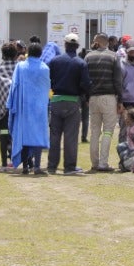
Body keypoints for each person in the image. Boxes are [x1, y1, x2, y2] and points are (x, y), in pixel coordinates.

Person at [46, 33, 90, 175]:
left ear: (65, 45)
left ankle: (52, 166)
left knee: (54, 135)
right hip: (73, 102)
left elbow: (48, 80)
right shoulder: (81, 63)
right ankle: (69, 167)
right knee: (71, 136)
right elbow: (86, 84)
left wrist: (51, 95)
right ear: (77, 47)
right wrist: (84, 97)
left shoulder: (54, 61)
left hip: (56, 101)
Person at [6, 41, 50, 175]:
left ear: (28, 53)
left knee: (23, 136)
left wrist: (10, 103)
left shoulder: (20, 66)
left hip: (23, 107)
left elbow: (14, 86)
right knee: (37, 136)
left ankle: (25, 166)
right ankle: (36, 166)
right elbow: (46, 88)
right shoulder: (45, 68)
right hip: (39, 108)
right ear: (40, 53)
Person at [85, 33, 124, 172]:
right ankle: (103, 163)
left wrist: (86, 98)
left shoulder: (88, 57)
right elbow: (118, 81)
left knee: (95, 132)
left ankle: (94, 163)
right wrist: (120, 99)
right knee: (108, 131)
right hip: (109, 98)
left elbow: (85, 79)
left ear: (96, 42)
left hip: (93, 98)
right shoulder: (113, 56)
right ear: (107, 42)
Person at [0, 41, 19, 169]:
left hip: (3, 112)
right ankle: (17, 160)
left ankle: (4, 164)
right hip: (18, 110)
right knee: (17, 136)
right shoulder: (19, 68)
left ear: (3, 54)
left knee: (4, 135)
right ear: (16, 54)